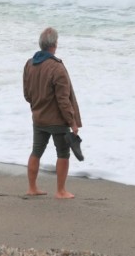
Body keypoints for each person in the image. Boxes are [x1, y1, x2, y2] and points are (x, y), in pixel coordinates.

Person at [23, 27, 82, 199]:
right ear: (54, 45)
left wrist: (37, 106)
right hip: (57, 121)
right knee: (63, 153)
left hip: (38, 117)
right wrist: (72, 122)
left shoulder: (29, 64)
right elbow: (64, 101)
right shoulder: (57, 68)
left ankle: (32, 188)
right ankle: (61, 191)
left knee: (36, 152)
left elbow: (27, 94)